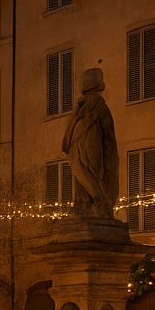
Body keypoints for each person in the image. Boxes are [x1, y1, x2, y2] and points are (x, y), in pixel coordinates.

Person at [61, 66, 120, 218]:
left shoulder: (97, 107)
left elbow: (108, 138)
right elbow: (109, 139)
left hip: (91, 151)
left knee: (91, 175)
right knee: (83, 176)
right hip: (80, 150)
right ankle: (85, 204)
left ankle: (96, 204)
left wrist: (110, 159)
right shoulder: (82, 108)